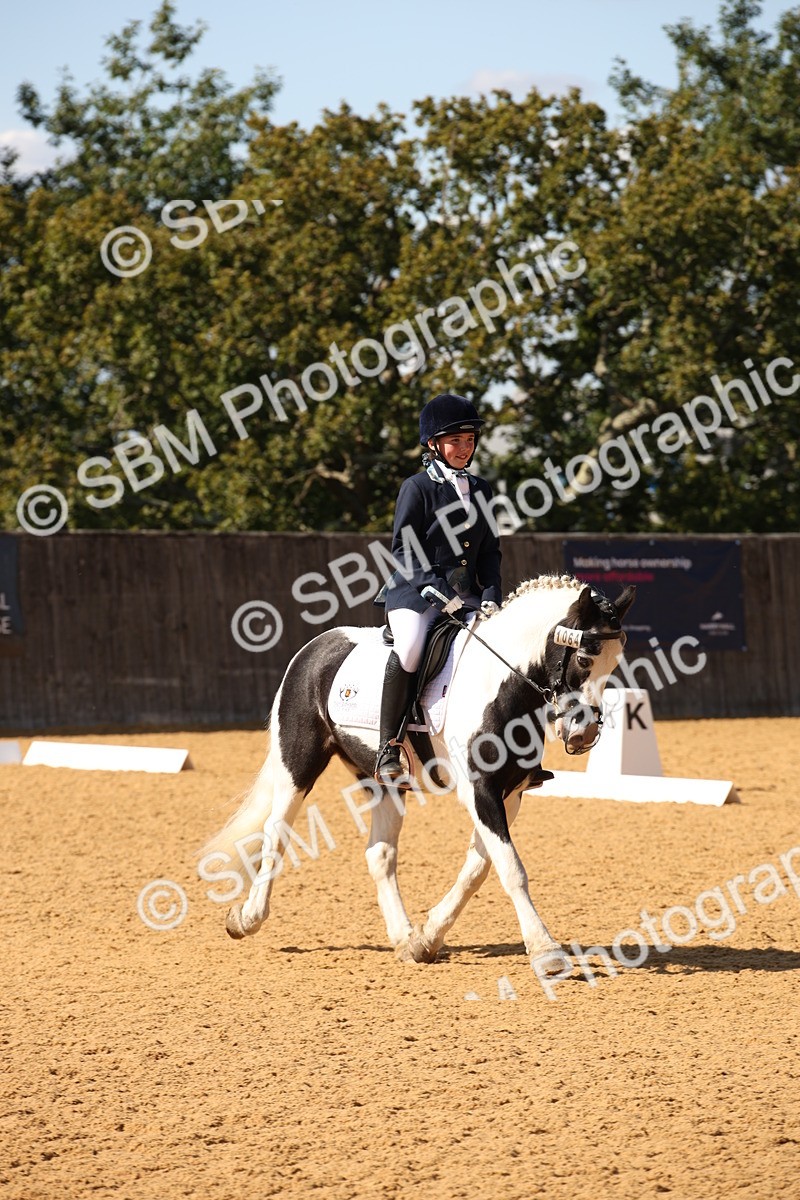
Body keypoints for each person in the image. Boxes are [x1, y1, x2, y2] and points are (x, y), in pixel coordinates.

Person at [373, 392, 503, 785]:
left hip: (467, 595)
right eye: (455, 441)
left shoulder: (481, 489)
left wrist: (492, 594)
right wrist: (436, 591)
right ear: (434, 444)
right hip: (415, 593)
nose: (465, 449)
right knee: (410, 646)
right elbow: (404, 549)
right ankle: (388, 747)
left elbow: (490, 552)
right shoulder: (417, 487)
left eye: (469, 441)